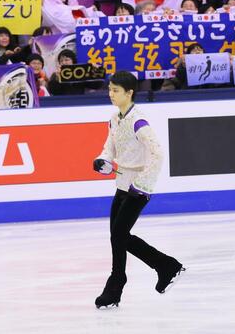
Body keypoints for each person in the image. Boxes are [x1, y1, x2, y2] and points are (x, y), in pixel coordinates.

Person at [91, 70, 184, 309]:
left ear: (129, 93)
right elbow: (109, 148)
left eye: (116, 90)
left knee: (120, 236)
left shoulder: (138, 121)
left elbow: (158, 153)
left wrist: (141, 183)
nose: (111, 94)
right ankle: (122, 283)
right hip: (121, 186)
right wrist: (103, 160)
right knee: (117, 237)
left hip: (138, 188)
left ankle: (164, 266)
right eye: (110, 89)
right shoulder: (114, 119)